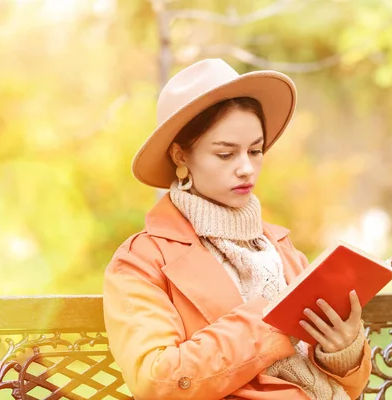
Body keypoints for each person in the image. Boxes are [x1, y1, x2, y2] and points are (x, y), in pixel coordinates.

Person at [103, 59, 372, 400]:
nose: (246, 168)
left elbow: (339, 383)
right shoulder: (142, 261)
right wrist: (269, 319)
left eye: (255, 150)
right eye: (225, 154)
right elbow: (156, 382)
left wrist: (341, 351)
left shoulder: (281, 248)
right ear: (180, 155)